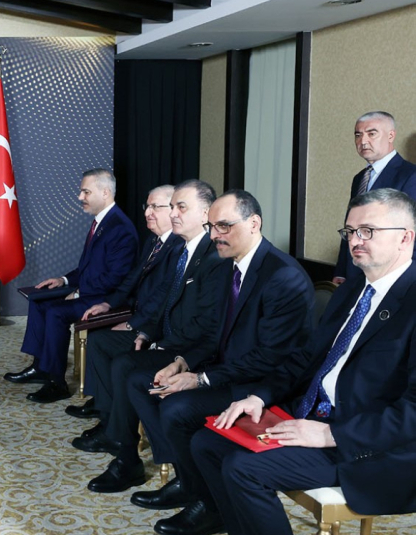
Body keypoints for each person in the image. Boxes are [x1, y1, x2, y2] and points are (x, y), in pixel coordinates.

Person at [193, 188, 416, 535]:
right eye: (350, 231)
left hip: (365, 442)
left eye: (367, 231)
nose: (355, 241)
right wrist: (260, 396)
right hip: (312, 413)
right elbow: (304, 359)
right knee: (206, 443)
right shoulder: (352, 289)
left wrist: (331, 434)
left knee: (244, 469)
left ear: (405, 238)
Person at [123, 190, 314, 535]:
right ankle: (192, 484)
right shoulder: (229, 266)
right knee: (147, 382)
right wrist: (183, 362)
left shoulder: (282, 276)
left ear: (254, 223)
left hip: (266, 386)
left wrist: (201, 379)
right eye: (211, 227)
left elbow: (271, 358)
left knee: (177, 409)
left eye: (224, 226)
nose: (214, 235)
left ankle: (209, 506)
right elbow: (214, 333)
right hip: (233, 372)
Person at [77, 180, 226, 493]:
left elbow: (207, 325)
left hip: (190, 351)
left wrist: (160, 343)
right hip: (166, 338)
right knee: (112, 351)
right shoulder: (180, 250)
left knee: (127, 368)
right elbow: (163, 301)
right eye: (171, 207)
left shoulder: (215, 257)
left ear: (205, 214)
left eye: (180, 207)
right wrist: (145, 331)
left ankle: (128, 454)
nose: (173, 214)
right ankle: (123, 446)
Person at [4, 168, 139, 403]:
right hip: (91, 291)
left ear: (105, 192)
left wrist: (77, 293)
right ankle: (41, 367)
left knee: (56, 312)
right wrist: (64, 281)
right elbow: (87, 268)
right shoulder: (102, 222)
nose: (80, 197)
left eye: (86, 192)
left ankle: (57, 383)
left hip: (107, 299)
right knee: (39, 299)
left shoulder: (121, 228)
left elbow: (116, 279)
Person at [65, 184, 184, 419]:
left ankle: (106, 410)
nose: (147, 212)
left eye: (155, 207)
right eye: (146, 206)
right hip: (136, 312)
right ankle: (101, 400)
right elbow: (132, 279)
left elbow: (162, 296)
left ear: (172, 210)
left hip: (155, 326)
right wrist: (108, 304)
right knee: (97, 332)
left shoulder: (179, 246)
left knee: (100, 341)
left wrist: (133, 325)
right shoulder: (154, 241)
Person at [334, 111, 416, 283]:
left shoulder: (410, 175)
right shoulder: (359, 178)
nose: (363, 141)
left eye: (371, 134)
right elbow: (351, 227)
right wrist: (342, 270)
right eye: (358, 135)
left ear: (391, 136)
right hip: (355, 275)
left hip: (389, 278)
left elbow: (410, 234)